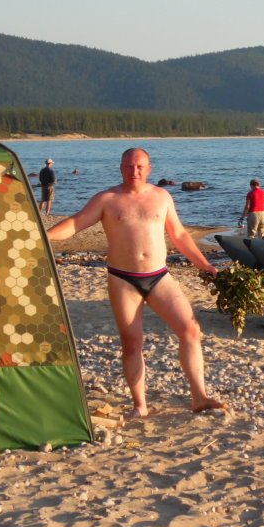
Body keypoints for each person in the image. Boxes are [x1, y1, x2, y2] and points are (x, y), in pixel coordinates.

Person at [46, 147, 225, 416]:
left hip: (159, 276)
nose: (134, 171)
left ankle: (199, 397)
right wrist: (45, 236)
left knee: (190, 330)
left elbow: (179, 235)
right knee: (132, 342)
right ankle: (140, 405)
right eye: (129, 166)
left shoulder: (162, 197)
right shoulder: (107, 199)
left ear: (149, 169)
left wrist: (205, 265)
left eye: (140, 166)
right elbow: (75, 223)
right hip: (123, 279)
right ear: (121, 168)